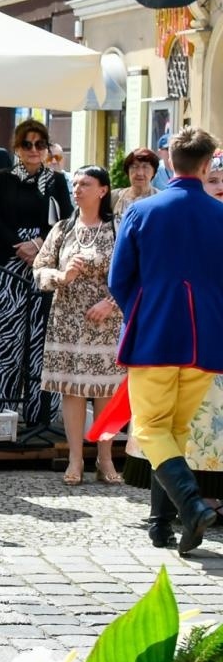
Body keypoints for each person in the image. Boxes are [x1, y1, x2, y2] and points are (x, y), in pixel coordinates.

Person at [109, 127, 223, 554]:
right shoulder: (220, 214)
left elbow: (119, 279)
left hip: (157, 332)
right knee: (173, 431)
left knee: (150, 428)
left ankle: (190, 506)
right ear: (208, 162)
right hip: (207, 339)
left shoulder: (144, 210)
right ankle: (163, 524)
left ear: (170, 161)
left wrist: (142, 312)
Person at [33, 166, 122, 486]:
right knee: (71, 391)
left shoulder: (118, 228)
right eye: (74, 184)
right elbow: (39, 269)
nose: (77, 189)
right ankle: (74, 458)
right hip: (67, 320)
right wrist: (61, 276)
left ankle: (106, 457)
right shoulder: (62, 229)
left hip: (105, 321)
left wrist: (110, 304)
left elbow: (135, 274)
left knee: (106, 394)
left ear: (102, 190)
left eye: (85, 184)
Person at [0, 118, 69, 431]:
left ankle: (39, 414)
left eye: (40, 144)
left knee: (40, 338)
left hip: (44, 266)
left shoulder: (56, 181)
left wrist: (39, 245)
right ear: (18, 148)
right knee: (5, 337)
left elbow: (65, 221)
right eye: (27, 144)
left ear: (47, 149)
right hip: (7, 263)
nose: (34, 150)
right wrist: (20, 245)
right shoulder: (2, 178)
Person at [114, 148, 161, 224]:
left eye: (145, 167)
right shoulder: (115, 197)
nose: (139, 173)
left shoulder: (161, 200)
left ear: (153, 172)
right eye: (134, 167)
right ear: (127, 171)